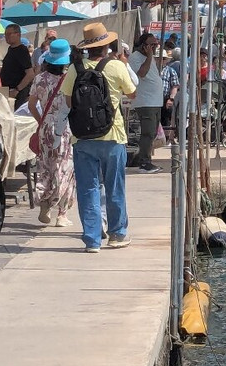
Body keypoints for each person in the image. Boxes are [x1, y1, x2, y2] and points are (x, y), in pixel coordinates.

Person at [63, 22, 137, 253]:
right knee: (115, 186)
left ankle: (92, 239)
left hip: (82, 138)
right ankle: (117, 234)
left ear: (87, 47)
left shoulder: (75, 68)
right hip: (112, 135)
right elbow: (132, 93)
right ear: (105, 46)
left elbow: (68, 100)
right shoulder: (115, 66)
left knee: (87, 188)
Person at [29, 38, 76, 228]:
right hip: (64, 129)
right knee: (65, 169)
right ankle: (62, 214)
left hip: (45, 128)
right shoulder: (69, 79)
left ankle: (45, 204)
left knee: (46, 167)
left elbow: (32, 105)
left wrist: (42, 121)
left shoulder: (39, 79)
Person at [128, 32, 164, 173]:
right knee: (147, 133)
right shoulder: (135, 58)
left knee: (153, 133)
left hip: (155, 101)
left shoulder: (150, 58)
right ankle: (144, 162)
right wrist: (149, 56)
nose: (154, 47)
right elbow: (141, 73)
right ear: (144, 46)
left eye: (156, 44)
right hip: (146, 101)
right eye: (152, 45)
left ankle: (144, 158)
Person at [0, 23, 34, 110]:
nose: (6, 37)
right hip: (8, 89)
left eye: (9, 34)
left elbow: (30, 74)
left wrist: (17, 90)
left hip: (16, 92)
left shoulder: (22, 50)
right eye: (5, 34)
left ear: (18, 34)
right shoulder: (11, 49)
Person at [161, 48, 180, 139]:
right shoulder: (151, 70)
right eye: (158, 58)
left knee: (167, 118)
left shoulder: (170, 71)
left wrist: (171, 98)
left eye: (163, 58)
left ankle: (167, 137)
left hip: (166, 98)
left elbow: (175, 86)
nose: (160, 60)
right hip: (153, 98)